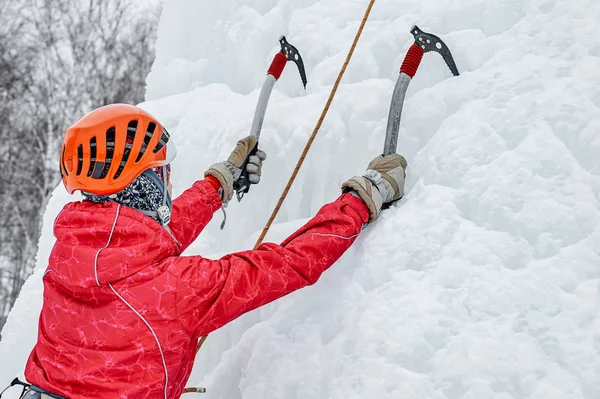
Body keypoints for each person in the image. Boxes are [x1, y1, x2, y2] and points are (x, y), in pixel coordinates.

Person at [16, 104, 407, 399]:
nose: (167, 181)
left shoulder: (71, 254)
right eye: (161, 172)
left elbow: (147, 240)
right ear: (146, 185)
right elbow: (290, 263)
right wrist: (359, 201)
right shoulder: (177, 291)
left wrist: (219, 183)